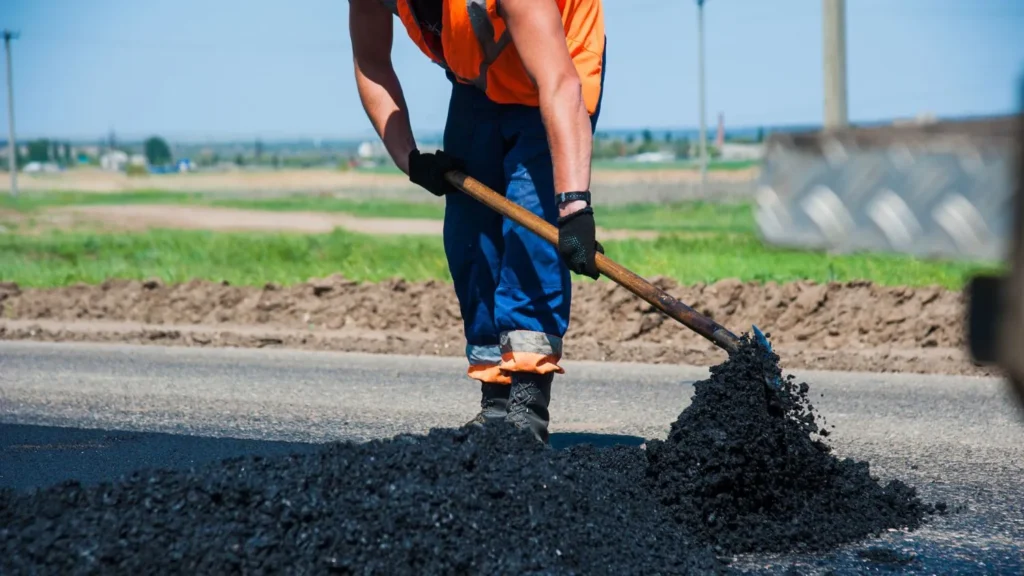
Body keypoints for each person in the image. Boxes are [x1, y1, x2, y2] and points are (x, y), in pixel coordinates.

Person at [349, 0, 606, 444]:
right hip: (478, 85)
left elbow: (560, 84)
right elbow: (372, 63)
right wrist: (409, 158)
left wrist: (573, 209)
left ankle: (528, 409)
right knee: (470, 237)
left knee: (532, 234)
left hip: (555, 69)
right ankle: (496, 405)